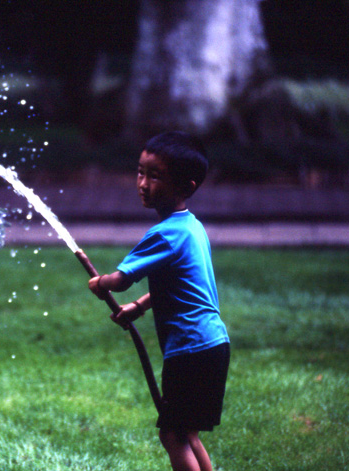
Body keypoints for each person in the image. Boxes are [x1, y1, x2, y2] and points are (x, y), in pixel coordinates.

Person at [88, 131, 230, 471]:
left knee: (173, 436)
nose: (143, 183)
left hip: (190, 348)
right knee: (187, 433)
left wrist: (100, 282)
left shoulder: (164, 234)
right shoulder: (190, 227)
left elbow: (120, 280)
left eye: (155, 176)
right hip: (211, 344)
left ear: (186, 186)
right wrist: (138, 308)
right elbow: (177, 284)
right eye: (140, 171)